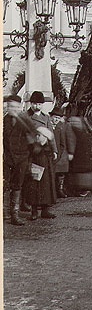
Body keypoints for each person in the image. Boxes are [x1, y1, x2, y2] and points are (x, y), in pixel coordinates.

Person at [3, 96, 32, 225]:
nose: (13, 109)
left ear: (20, 107)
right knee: (4, 185)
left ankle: (15, 214)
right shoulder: (4, 120)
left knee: (17, 185)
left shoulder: (24, 121)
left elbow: (32, 137)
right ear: (7, 107)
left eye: (16, 107)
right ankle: (4, 212)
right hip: (6, 158)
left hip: (21, 158)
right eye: (10, 106)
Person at [26, 126, 57, 220]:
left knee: (46, 189)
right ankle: (34, 211)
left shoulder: (47, 147)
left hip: (46, 171)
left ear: (45, 137)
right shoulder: (35, 146)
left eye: (39, 135)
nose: (37, 137)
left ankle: (45, 210)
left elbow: (51, 157)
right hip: (36, 168)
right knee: (34, 189)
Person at [50, 107, 76, 198]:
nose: (56, 119)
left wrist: (71, 152)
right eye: (55, 117)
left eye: (58, 117)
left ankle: (60, 189)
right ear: (51, 117)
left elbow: (70, 139)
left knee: (61, 173)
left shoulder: (64, 126)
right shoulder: (48, 125)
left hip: (63, 153)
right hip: (52, 153)